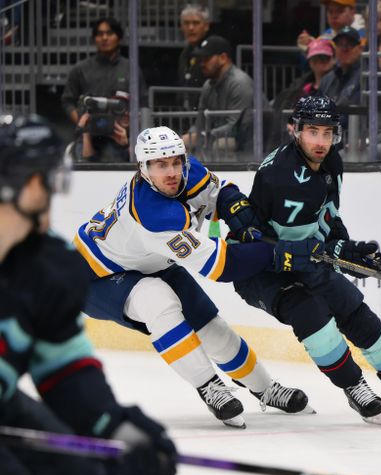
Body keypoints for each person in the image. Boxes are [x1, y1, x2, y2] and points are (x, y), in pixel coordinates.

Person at [0, 114, 176, 475]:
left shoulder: (46, 266)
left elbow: (65, 370)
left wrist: (111, 425)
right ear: (27, 185)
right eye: (50, 181)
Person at [74, 126, 317, 428]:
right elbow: (223, 266)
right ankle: (209, 386)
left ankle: (266, 389)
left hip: (149, 261)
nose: (172, 171)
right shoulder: (154, 216)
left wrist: (236, 208)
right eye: (161, 165)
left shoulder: (186, 171)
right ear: (144, 168)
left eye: (176, 161)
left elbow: (220, 190)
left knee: (212, 327)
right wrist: (277, 254)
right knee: (158, 301)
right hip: (96, 277)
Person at [232, 96, 381, 426]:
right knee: (311, 314)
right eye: (313, 132)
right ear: (296, 131)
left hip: (300, 256)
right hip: (258, 267)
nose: (321, 142)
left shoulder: (331, 162)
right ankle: (355, 386)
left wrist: (349, 248)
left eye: (327, 133)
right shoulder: (282, 176)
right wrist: (336, 254)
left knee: (352, 308)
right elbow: (277, 247)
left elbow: (327, 220)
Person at [61, 17, 147, 162]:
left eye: (109, 33)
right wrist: (82, 123)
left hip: (120, 137)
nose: (104, 38)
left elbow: (143, 104)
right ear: (94, 38)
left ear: (118, 37)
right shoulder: (81, 69)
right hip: (87, 137)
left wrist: (130, 121)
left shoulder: (131, 68)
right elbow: (67, 101)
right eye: (100, 34)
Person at [183, 35, 264, 158]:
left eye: (207, 58)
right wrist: (187, 137)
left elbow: (236, 127)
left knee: (220, 145)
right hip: (219, 135)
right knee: (182, 143)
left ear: (223, 58)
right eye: (201, 59)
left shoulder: (239, 82)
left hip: (249, 140)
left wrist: (205, 135)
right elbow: (200, 123)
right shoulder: (208, 85)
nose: (202, 63)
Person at [318, 26, 365, 110]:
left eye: (350, 44)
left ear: (360, 49)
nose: (345, 49)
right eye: (340, 44)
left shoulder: (366, 76)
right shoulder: (327, 80)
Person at [296, 0, 366, 54]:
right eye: (330, 11)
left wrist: (319, 48)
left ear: (352, 12)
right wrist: (310, 46)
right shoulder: (329, 33)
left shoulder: (365, 30)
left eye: (340, 11)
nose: (334, 16)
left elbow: (348, 54)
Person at [177, 3, 211, 109]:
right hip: (186, 112)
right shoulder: (185, 53)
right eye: (186, 23)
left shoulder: (212, 51)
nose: (191, 28)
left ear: (206, 26)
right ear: (181, 26)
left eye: (196, 23)